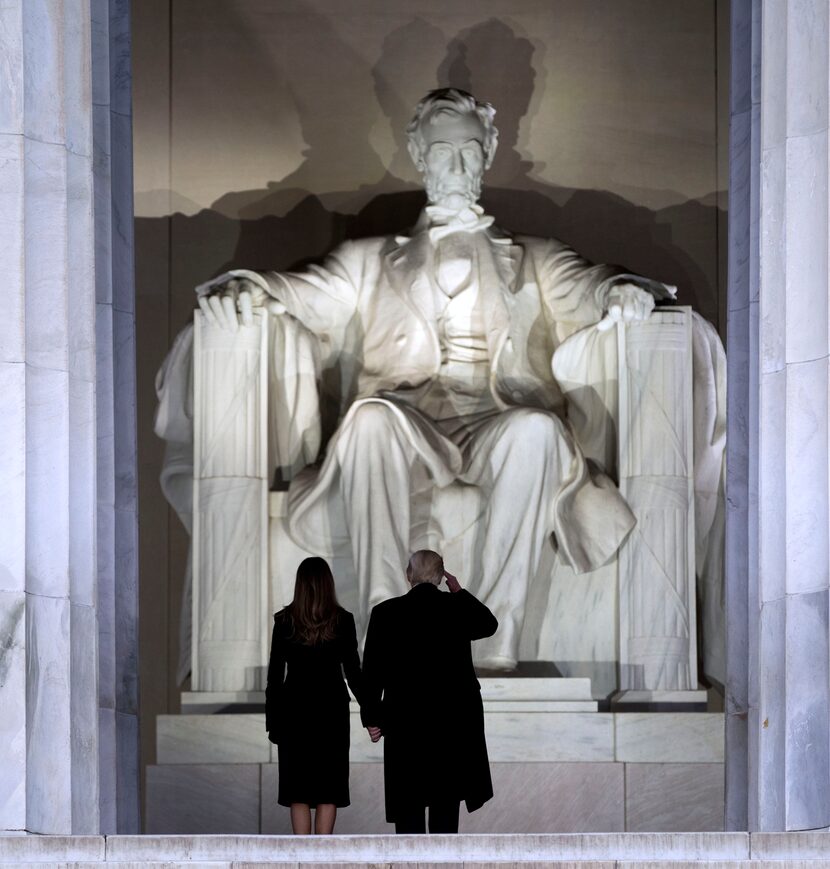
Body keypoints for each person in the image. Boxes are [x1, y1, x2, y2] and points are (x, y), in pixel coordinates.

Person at [163, 86, 724, 673]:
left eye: (469, 151)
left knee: (537, 431)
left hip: (496, 421)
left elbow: (588, 286)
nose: (455, 166)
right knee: (369, 419)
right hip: (405, 425)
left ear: (489, 153)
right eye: (441, 151)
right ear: (418, 152)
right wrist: (250, 288)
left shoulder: (534, 255)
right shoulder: (367, 259)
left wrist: (620, 291)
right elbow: (301, 294)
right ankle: (384, 626)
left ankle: (492, 637)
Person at [360, 549, 498, 833]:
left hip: (403, 726)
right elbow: (488, 624)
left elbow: (372, 672)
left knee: (407, 815)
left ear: (408, 576)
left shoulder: (385, 613)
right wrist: (459, 591)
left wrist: (372, 718)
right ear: (440, 576)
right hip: (450, 728)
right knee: (445, 812)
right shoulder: (455, 607)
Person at [265, 556, 367, 834]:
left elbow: (274, 677)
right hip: (330, 713)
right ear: (328, 584)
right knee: (328, 789)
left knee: (297, 790)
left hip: (294, 713)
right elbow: (354, 673)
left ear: (299, 585)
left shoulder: (284, 621)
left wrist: (272, 722)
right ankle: (322, 860)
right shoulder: (342, 621)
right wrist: (372, 713)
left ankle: (303, 859)